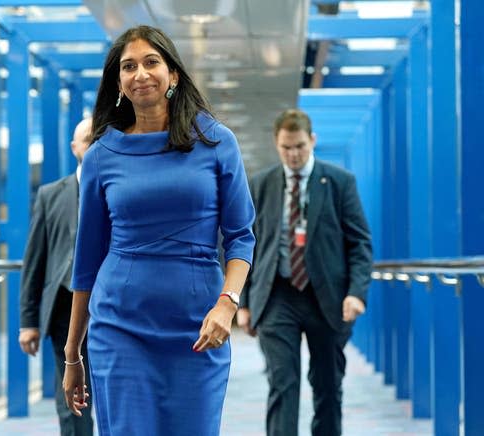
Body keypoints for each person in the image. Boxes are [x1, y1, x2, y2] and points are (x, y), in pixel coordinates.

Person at [61, 25, 256, 436]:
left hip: (199, 324)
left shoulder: (216, 142)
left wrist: (228, 303)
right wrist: (72, 353)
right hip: (120, 326)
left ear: (173, 75)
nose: (141, 73)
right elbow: (87, 260)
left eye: (152, 62)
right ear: (119, 82)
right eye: (128, 66)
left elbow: (241, 236)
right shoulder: (100, 155)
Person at [238, 109, 372, 436]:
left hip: (326, 297)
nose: (293, 154)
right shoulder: (261, 184)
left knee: (327, 383)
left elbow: (359, 243)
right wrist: (242, 302)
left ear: (312, 140)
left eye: (299, 146)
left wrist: (356, 293)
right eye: (286, 148)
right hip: (276, 295)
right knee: (283, 382)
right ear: (276, 144)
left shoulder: (339, 182)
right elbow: (244, 245)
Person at [19, 117, 95, 436]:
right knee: (72, 400)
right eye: (88, 139)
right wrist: (29, 321)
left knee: (120, 394)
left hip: (114, 306)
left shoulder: (124, 191)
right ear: (74, 147)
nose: (94, 146)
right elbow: (35, 259)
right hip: (64, 307)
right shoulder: (51, 194)